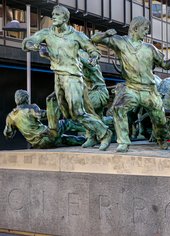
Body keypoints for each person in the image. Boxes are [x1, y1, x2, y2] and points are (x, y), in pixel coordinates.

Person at [22, 5, 112, 150]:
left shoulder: (76, 35)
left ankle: (104, 132)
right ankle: (56, 132)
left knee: (78, 113)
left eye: (57, 14)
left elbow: (93, 50)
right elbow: (28, 42)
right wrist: (33, 45)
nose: (53, 17)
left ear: (65, 18)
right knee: (64, 111)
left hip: (73, 77)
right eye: (52, 14)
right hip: (59, 77)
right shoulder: (47, 33)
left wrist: (94, 58)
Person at [91, 16, 170, 152]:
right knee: (118, 108)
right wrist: (105, 34)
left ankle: (161, 139)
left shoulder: (150, 48)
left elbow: (165, 65)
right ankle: (123, 141)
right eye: (145, 29)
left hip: (150, 90)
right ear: (135, 28)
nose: (147, 32)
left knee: (159, 119)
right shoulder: (121, 42)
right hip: (131, 88)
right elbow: (94, 39)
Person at [3, 90, 85, 148]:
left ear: (16, 100)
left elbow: (8, 134)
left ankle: (85, 140)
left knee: (63, 139)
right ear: (26, 99)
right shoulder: (30, 108)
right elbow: (43, 115)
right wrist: (55, 109)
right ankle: (88, 129)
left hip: (37, 144)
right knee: (65, 123)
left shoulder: (10, 116)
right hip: (46, 136)